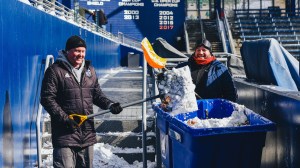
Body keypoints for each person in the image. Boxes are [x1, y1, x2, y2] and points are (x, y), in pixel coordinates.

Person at [40, 35, 123, 168]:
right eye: (77, 51)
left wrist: (110, 105)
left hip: (86, 135)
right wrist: (65, 119)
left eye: (83, 51)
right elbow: (47, 99)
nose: (80, 55)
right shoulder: (55, 71)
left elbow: (96, 95)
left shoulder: (90, 70)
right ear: (67, 51)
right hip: (65, 135)